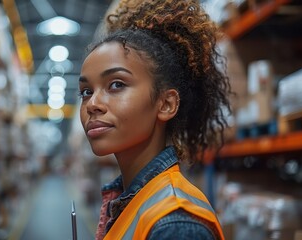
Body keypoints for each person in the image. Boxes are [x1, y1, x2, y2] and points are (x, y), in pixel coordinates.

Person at [78, 0, 231, 239]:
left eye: (116, 85)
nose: (92, 104)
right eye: (86, 91)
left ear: (166, 104)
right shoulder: (130, 200)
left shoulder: (174, 224)